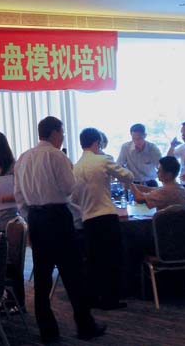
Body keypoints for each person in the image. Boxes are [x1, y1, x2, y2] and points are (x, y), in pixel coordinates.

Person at [14, 116, 105, 343]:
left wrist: (31, 216)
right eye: (62, 132)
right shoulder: (57, 156)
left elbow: (19, 196)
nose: (63, 136)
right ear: (55, 132)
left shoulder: (23, 158)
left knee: (42, 277)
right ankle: (85, 326)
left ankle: (47, 331)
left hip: (36, 219)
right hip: (57, 218)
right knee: (73, 273)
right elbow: (69, 188)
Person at [72, 127, 133, 311]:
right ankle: (111, 299)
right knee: (112, 259)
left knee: (94, 259)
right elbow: (128, 176)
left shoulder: (75, 167)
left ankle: (94, 297)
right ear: (97, 143)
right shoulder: (103, 160)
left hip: (88, 218)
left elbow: (74, 197)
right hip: (106, 215)